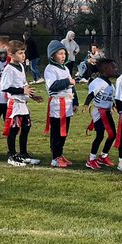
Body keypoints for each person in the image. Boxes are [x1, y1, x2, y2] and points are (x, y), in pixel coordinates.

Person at [0, 39, 41, 166]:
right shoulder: (9, 69)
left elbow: (24, 85)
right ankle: (12, 155)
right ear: (11, 55)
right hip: (15, 103)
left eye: (24, 52)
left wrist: (32, 95)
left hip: (23, 104)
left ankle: (23, 153)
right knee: (14, 129)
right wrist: (22, 90)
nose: (23, 55)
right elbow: (5, 87)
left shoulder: (21, 66)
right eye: (20, 53)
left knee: (26, 127)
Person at [43, 39, 78, 168]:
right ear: (53, 55)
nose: (63, 56)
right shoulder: (50, 69)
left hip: (67, 104)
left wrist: (75, 101)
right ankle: (55, 157)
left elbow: (72, 86)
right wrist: (68, 82)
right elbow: (52, 86)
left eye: (64, 53)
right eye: (60, 54)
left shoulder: (65, 69)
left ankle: (60, 154)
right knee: (57, 132)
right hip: (58, 105)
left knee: (65, 132)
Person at [84, 58, 119, 170]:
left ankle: (103, 156)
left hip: (106, 111)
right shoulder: (98, 82)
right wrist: (86, 104)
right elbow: (91, 94)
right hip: (99, 112)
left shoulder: (110, 84)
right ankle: (91, 159)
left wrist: (113, 104)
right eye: (112, 67)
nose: (115, 69)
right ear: (105, 69)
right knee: (100, 135)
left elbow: (109, 97)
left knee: (113, 134)